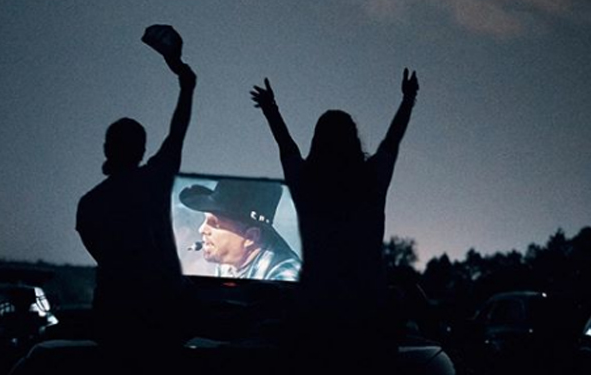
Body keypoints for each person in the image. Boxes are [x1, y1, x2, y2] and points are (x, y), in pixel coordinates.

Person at [250, 68, 419, 368]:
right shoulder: (372, 180)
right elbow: (392, 143)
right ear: (354, 141)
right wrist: (408, 99)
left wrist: (270, 109)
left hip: (316, 309)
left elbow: (286, 146)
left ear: (317, 142)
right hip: (368, 311)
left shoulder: (305, 182)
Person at [75, 25, 196, 356]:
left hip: (115, 316)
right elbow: (179, 128)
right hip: (162, 313)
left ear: (106, 148)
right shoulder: (155, 180)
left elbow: (101, 252)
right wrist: (184, 76)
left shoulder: (89, 204)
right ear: (142, 149)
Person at [179, 178, 301, 282]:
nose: (201, 229)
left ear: (250, 237)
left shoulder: (286, 276)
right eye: (205, 220)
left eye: (215, 224)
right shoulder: (229, 261)